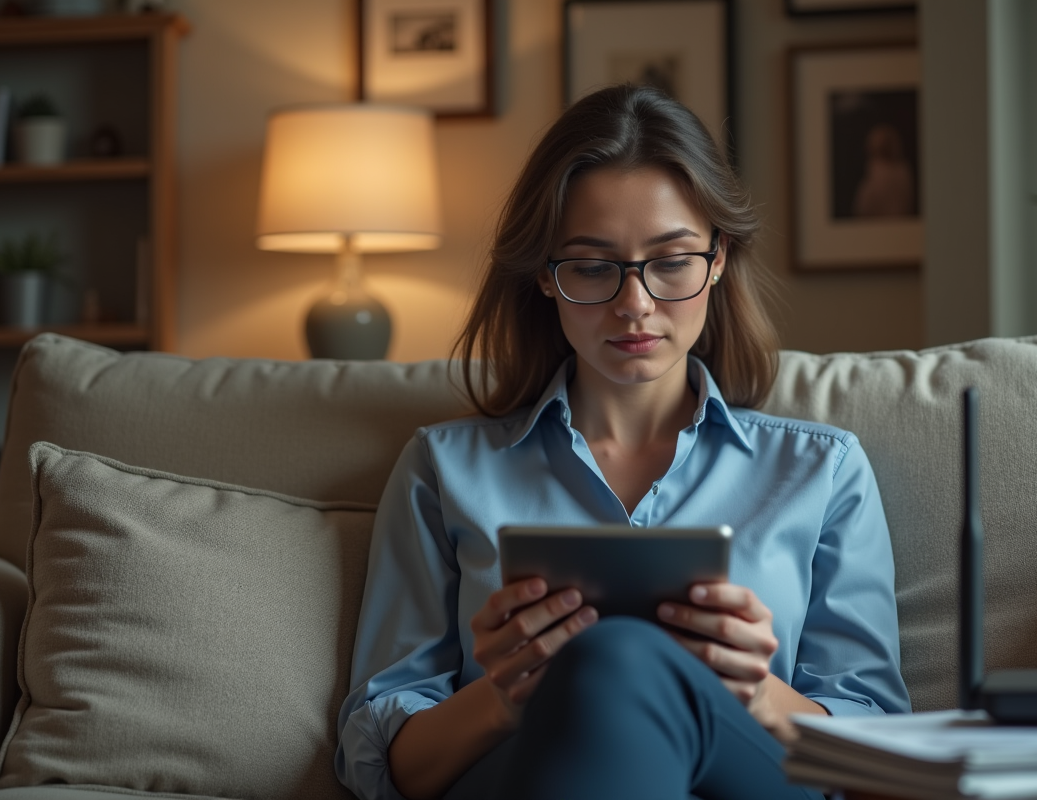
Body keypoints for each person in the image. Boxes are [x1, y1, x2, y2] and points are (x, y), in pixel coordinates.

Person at [336, 83, 910, 800]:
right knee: (610, 665)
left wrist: (757, 693)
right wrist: (502, 697)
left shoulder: (822, 471)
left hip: (751, 779)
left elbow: (883, 754)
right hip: (523, 781)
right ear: (545, 276)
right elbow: (384, 762)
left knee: (621, 656)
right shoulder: (443, 468)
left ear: (718, 259)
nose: (634, 304)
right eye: (591, 266)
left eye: (671, 261)